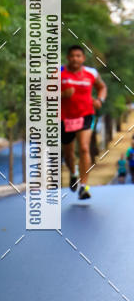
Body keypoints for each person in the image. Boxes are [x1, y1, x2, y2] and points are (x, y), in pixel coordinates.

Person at [61, 45, 107, 200]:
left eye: (78, 56)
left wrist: (100, 99)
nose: (75, 58)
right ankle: (73, 174)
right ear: (68, 57)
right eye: (72, 55)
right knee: (68, 154)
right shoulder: (58, 72)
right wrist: (62, 93)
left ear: (83, 58)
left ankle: (84, 187)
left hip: (85, 115)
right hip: (65, 118)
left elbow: (102, 87)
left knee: (84, 149)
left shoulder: (91, 73)